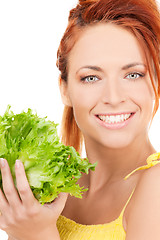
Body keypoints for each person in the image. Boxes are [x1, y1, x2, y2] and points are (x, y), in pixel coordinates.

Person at [0, 0, 160, 239]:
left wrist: (38, 234)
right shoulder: (50, 184)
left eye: (133, 74)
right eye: (91, 78)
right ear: (64, 89)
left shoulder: (156, 186)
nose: (113, 98)